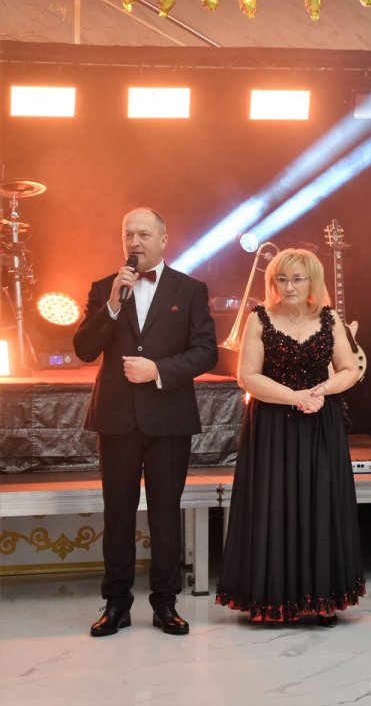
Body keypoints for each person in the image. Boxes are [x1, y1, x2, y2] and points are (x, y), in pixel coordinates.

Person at [72, 207, 218, 637]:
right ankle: (116, 604)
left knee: (165, 513)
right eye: (128, 235)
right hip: (116, 417)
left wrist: (158, 370)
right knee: (117, 512)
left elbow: (207, 351)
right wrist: (112, 306)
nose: (134, 242)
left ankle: (165, 603)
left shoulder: (190, 289)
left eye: (144, 234)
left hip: (168, 418)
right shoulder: (104, 288)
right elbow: (83, 349)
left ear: (163, 239)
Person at [216, 248, 365, 626]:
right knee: (273, 505)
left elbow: (349, 369)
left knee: (322, 504)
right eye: (281, 279)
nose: (289, 286)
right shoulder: (258, 318)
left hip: (321, 422)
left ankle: (322, 599)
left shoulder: (330, 319)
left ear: (313, 281)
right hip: (272, 423)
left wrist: (322, 391)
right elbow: (247, 377)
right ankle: (272, 600)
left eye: (297, 279)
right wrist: (295, 397)